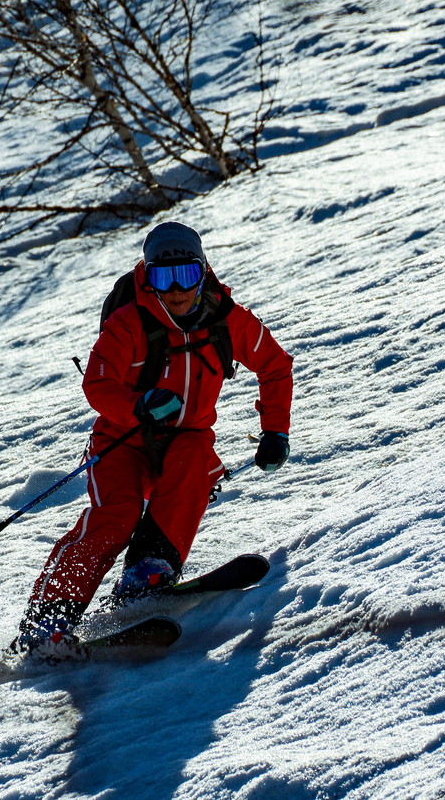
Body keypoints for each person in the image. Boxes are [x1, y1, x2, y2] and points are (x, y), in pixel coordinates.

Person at [15, 221, 294, 656]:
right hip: (122, 442)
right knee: (117, 516)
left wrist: (275, 430)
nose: (177, 289)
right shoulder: (128, 324)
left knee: (195, 462)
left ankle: (149, 572)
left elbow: (275, 365)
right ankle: (48, 617)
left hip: (186, 438)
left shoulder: (228, 319)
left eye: (187, 275)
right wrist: (138, 405)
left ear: (203, 272)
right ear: (148, 277)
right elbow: (98, 384)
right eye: (165, 278)